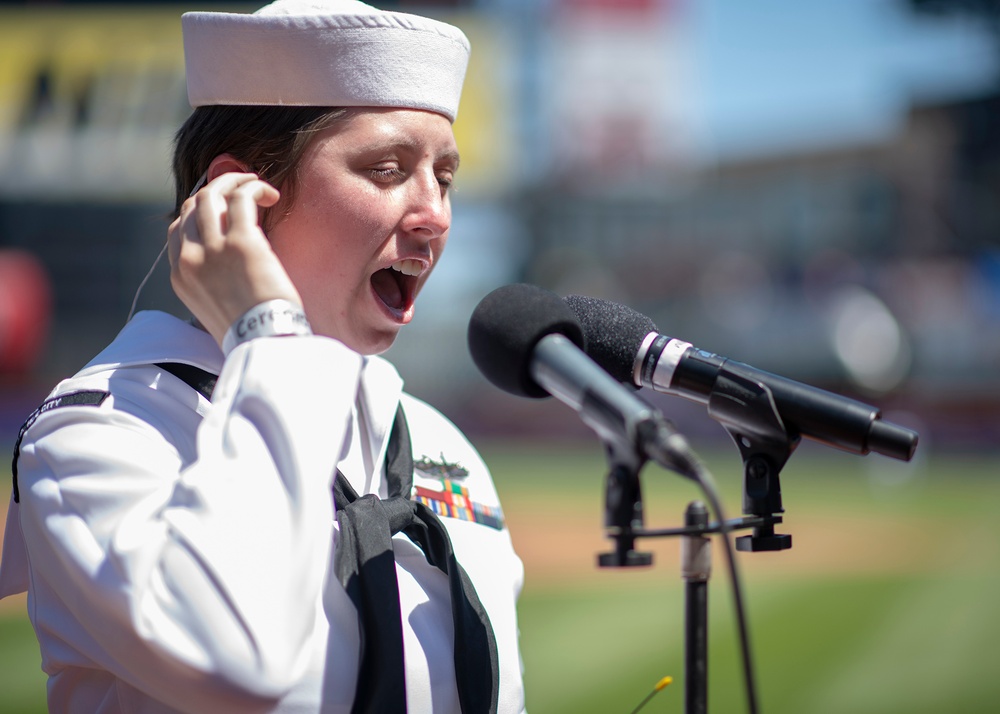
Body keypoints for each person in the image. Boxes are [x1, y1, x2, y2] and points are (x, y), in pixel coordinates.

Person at [0, 1, 526, 712]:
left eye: (445, 177)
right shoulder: (99, 430)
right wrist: (267, 329)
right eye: (387, 168)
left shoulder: (439, 442)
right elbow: (233, 663)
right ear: (235, 197)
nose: (434, 212)